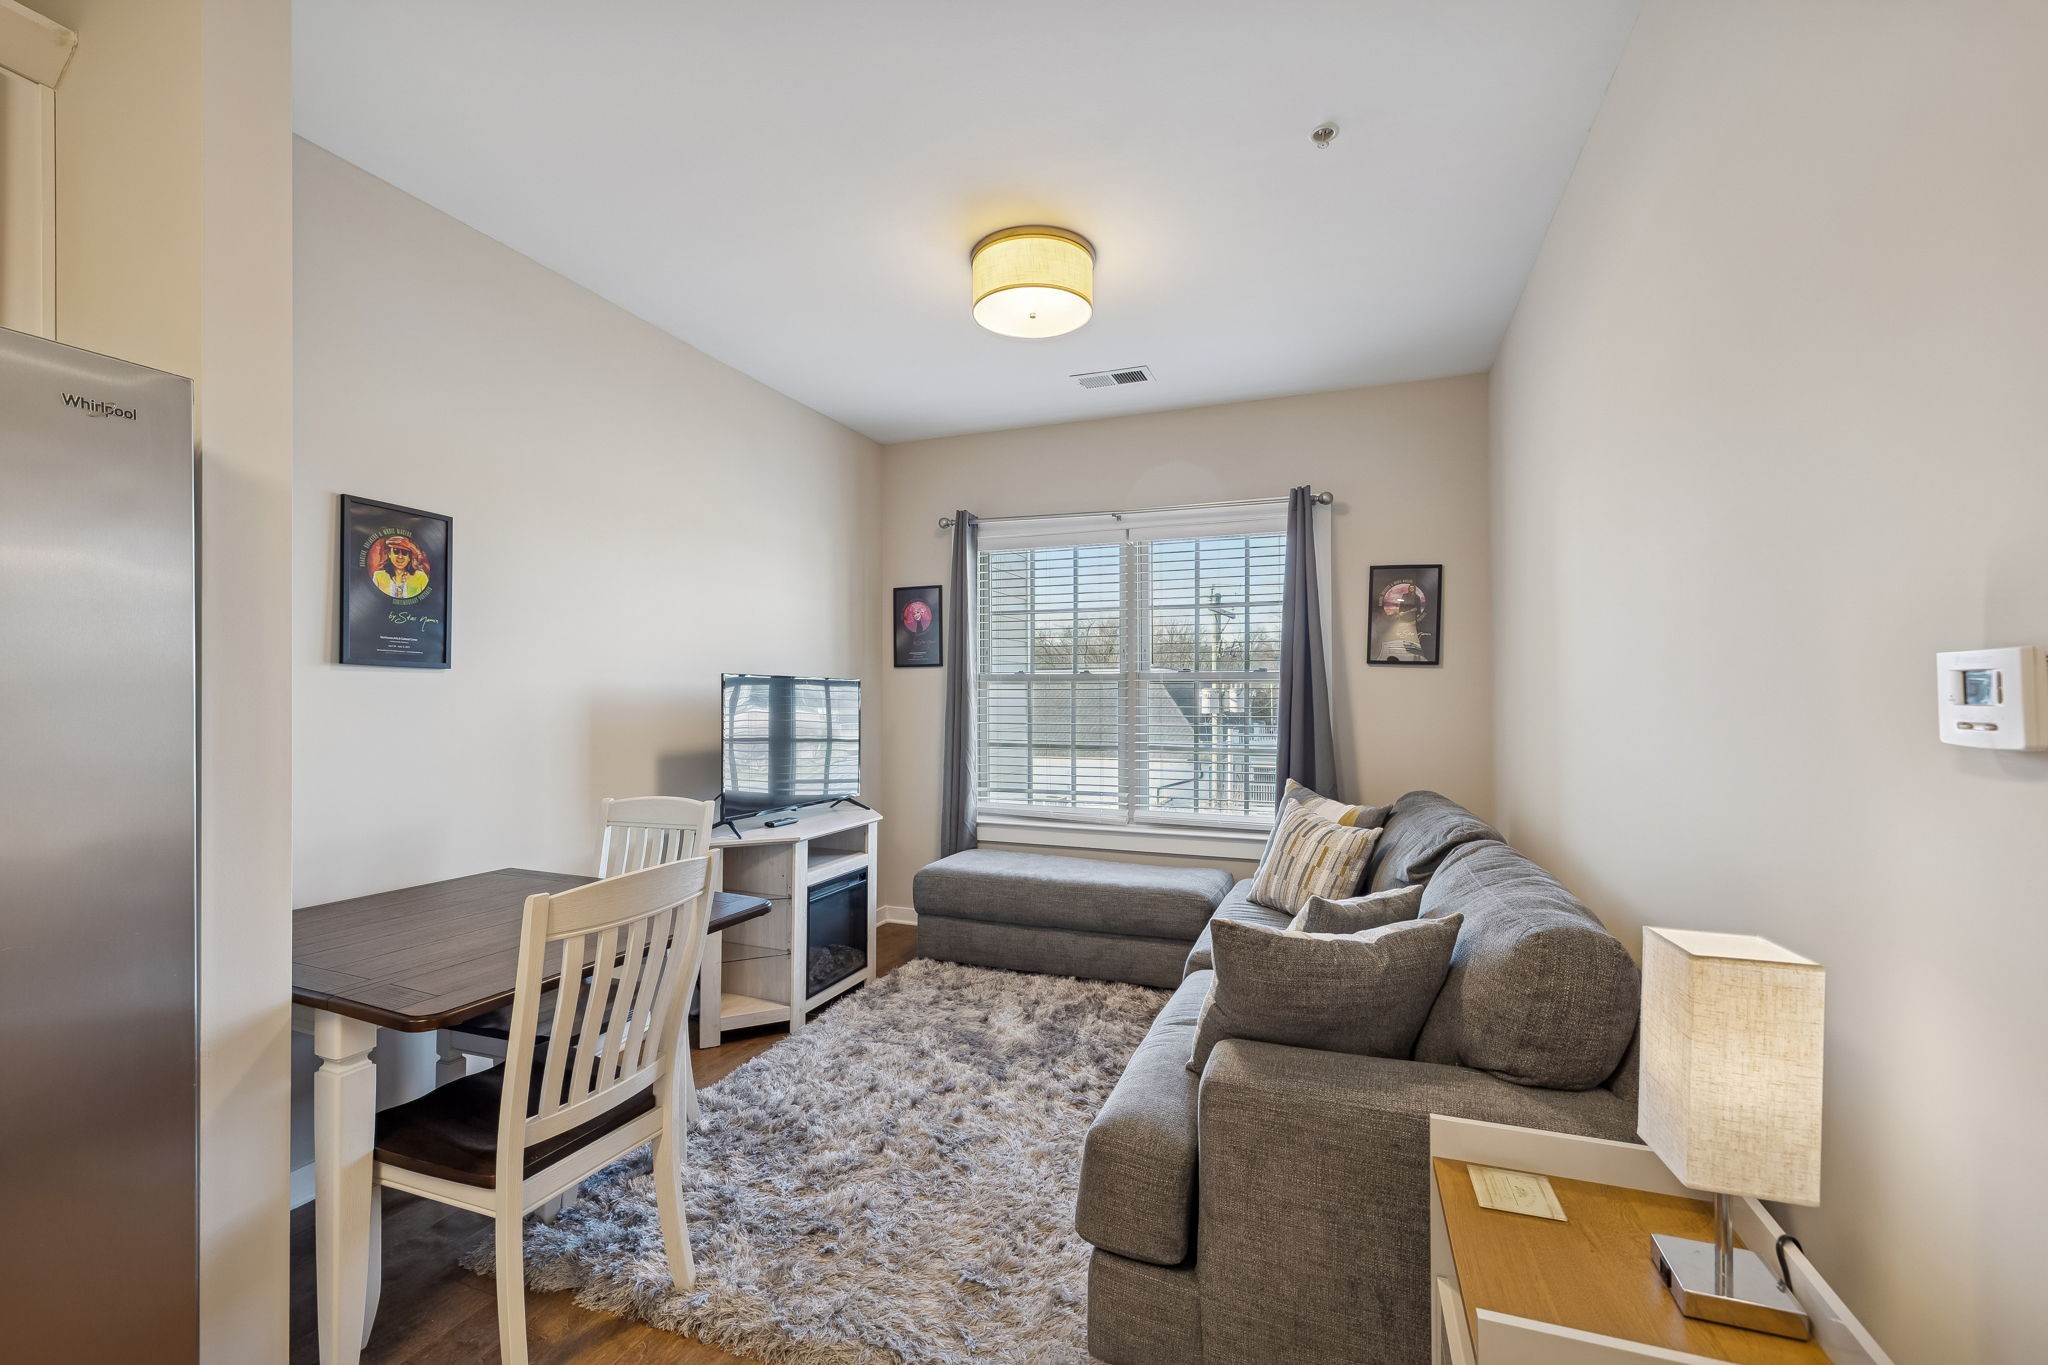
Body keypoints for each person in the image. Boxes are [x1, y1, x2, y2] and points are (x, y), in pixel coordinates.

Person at [1372, 579, 1430, 663]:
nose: (1411, 589)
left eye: (1413, 588)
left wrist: (1416, 613)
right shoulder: (1404, 595)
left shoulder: (1417, 597)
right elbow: (1401, 606)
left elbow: (1418, 607)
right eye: (1411, 588)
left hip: (1412, 616)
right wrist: (1401, 613)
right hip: (1404, 616)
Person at [372, 535, 430, 599]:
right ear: (389, 554)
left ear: (409, 558)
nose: (400, 556)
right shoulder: (378, 577)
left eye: (404, 552)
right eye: (396, 551)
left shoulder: (421, 577)